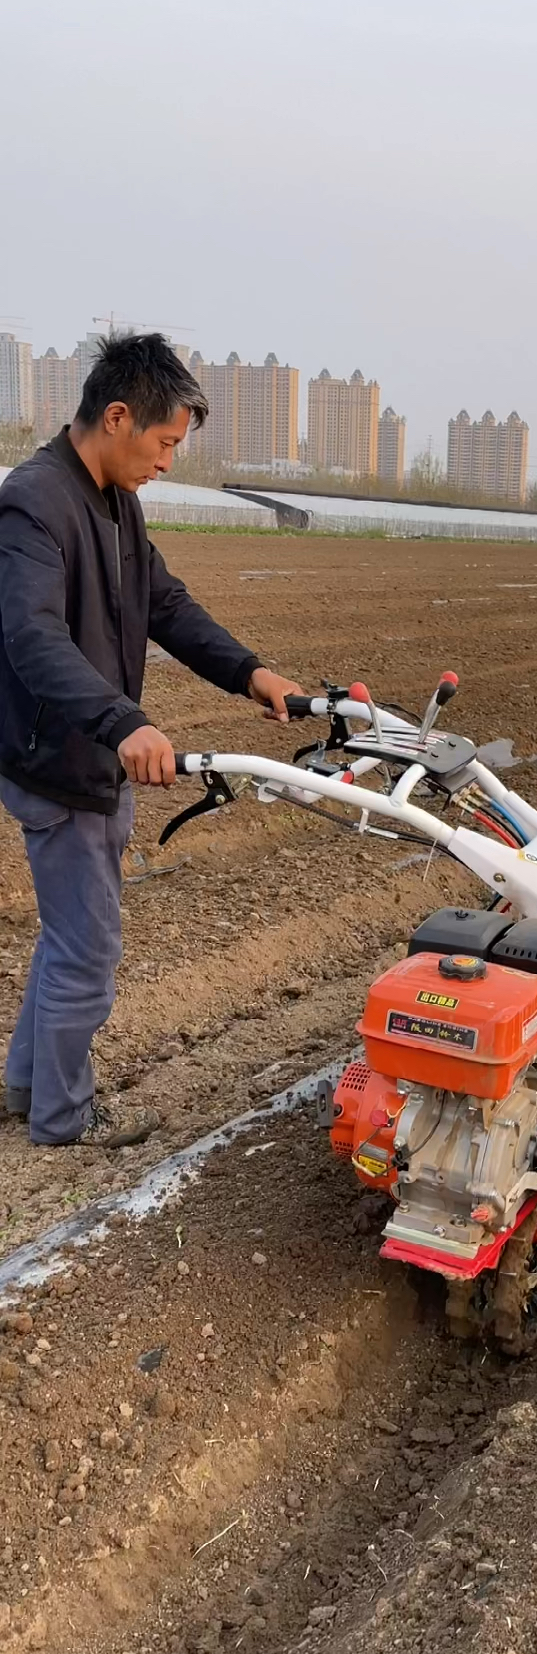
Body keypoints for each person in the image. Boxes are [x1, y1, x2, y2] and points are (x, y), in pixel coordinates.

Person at [0, 330, 301, 1148]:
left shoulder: (113, 502)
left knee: (68, 938)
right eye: (166, 442)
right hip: (63, 764)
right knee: (89, 954)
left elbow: (164, 605)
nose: (169, 461)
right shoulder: (35, 502)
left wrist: (252, 674)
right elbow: (30, 638)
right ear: (119, 415)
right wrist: (124, 721)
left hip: (90, 756)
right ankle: (66, 1117)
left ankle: (28, 1088)